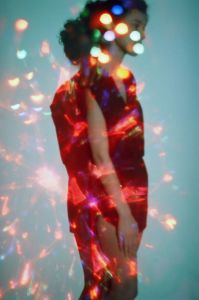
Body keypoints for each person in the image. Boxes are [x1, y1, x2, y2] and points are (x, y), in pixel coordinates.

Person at [50, 0, 149, 299]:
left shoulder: (126, 81)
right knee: (119, 288)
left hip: (132, 191)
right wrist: (120, 212)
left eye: (143, 28)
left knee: (103, 288)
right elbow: (97, 156)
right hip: (103, 198)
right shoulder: (84, 85)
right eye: (135, 26)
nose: (141, 35)